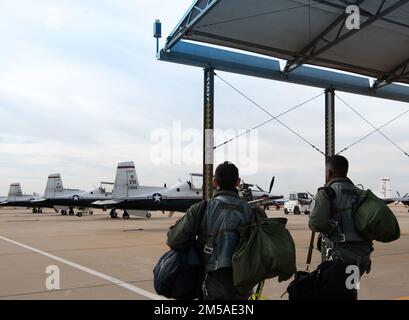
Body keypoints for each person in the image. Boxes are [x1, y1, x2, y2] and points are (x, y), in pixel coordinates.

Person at [166, 162, 255, 300]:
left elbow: (173, 240)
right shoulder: (252, 212)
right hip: (243, 283)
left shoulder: (201, 208)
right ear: (238, 182)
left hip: (211, 281)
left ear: (215, 182)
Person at [309, 155, 373, 299]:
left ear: (329, 173)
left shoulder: (327, 193)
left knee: (333, 294)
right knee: (350, 292)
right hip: (361, 258)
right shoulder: (360, 194)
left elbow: (315, 224)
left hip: (339, 258)